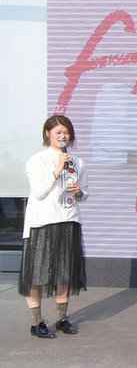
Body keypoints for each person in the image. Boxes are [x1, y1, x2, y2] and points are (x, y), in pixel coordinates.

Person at [20, 115, 87, 338]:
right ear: (48, 134)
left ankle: (62, 318)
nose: (63, 136)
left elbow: (84, 193)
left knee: (65, 273)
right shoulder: (37, 160)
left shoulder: (77, 162)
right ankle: (37, 322)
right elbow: (39, 192)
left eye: (66, 132)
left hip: (69, 219)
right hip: (42, 222)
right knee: (36, 274)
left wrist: (79, 192)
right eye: (58, 132)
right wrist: (57, 170)